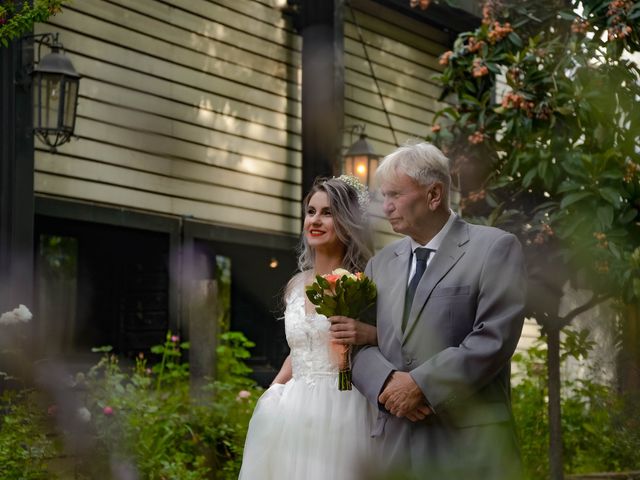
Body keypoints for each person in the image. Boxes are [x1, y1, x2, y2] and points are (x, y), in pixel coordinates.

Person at [347, 142, 527, 479]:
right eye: (382, 196)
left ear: (434, 195)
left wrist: (421, 386)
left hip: (469, 447)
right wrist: (387, 383)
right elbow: (357, 343)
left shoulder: (494, 248)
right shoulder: (379, 264)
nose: (386, 207)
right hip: (394, 446)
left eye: (395, 195)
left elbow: (493, 338)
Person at [238, 175, 377, 480]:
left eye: (327, 212)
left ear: (347, 221)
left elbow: (388, 341)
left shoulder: (364, 283)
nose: (315, 220)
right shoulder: (296, 285)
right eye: (311, 211)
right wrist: (273, 390)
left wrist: (367, 333)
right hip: (293, 413)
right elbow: (299, 350)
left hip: (345, 408)